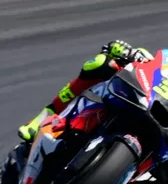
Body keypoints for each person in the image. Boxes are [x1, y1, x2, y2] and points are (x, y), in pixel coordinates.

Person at [17, 40, 153, 141]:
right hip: (112, 97)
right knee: (101, 63)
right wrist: (118, 53)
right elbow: (90, 66)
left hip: (143, 111)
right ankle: (40, 121)